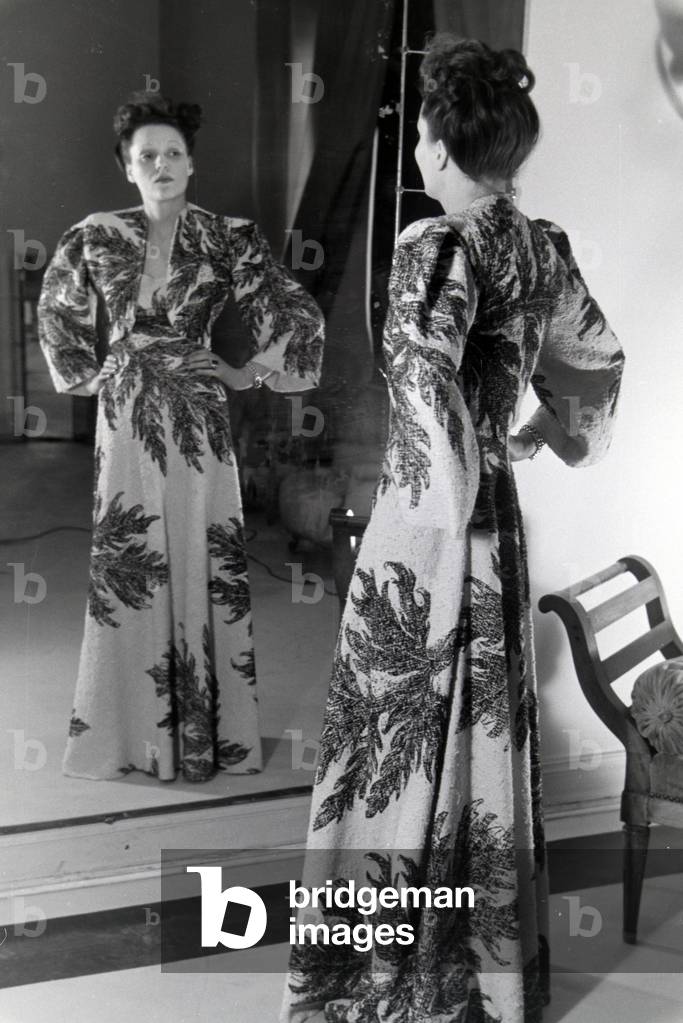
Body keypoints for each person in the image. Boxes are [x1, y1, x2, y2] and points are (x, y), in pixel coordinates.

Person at [280, 35, 624, 1023]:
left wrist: (434, 524)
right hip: (496, 531)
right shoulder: (539, 244)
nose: (420, 149)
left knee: (388, 741)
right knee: (474, 741)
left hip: (426, 533)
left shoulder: (431, 244)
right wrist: (546, 435)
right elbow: (597, 366)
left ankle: (377, 983)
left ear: (438, 143)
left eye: (423, 131)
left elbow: (425, 396)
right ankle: (476, 980)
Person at [38, 93, 324, 784]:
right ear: (126, 168)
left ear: (191, 162)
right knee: (129, 565)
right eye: (146, 157)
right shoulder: (95, 234)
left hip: (198, 416)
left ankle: (206, 739)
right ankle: (130, 735)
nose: (160, 165)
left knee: (203, 557)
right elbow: (56, 310)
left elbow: (296, 312)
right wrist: (91, 371)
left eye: (172, 153)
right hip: (126, 415)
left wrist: (246, 370)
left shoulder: (230, 236)